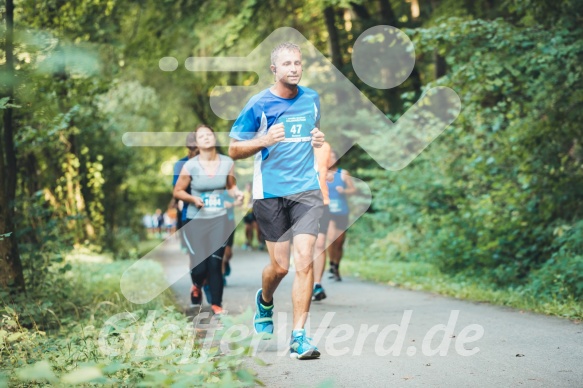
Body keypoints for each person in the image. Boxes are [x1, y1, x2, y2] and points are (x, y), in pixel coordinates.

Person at [229, 42, 325, 360]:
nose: (294, 68)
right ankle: (265, 300)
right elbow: (233, 149)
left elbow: (313, 132)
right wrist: (264, 140)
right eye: (287, 64)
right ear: (274, 69)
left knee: (305, 260)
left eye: (298, 63)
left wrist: (318, 138)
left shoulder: (312, 98)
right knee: (280, 268)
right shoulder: (258, 104)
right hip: (270, 193)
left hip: (306, 191)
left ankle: (299, 336)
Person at [174, 124, 242, 316]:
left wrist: (237, 195)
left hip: (219, 220)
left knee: (215, 262)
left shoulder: (227, 162)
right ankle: (196, 285)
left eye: (209, 134)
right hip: (195, 221)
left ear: (214, 138)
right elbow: (177, 191)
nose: (206, 137)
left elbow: (230, 186)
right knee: (200, 266)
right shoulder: (190, 166)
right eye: (201, 136)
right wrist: (192, 199)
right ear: (196, 142)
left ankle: (216, 304)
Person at [326, 150, 357, 281]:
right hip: (327, 212)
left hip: (342, 211)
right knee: (331, 238)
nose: (331, 159)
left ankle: (336, 266)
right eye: (329, 156)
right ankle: (331, 264)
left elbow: (353, 189)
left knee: (339, 242)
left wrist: (344, 190)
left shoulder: (343, 174)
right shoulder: (321, 174)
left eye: (334, 156)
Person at [312, 141, 332, 301]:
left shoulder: (325, 146)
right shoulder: (292, 144)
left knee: (320, 243)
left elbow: (330, 167)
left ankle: (317, 284)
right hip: (299, 202)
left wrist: (331, 174)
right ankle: (305, 280)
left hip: (322, 201)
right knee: (303, 246)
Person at [172, 132, 198, 251]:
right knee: (195, 256)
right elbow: (177, 190)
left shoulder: (213, 161)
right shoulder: (180, 164)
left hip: (214, 213)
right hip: (189, 212)